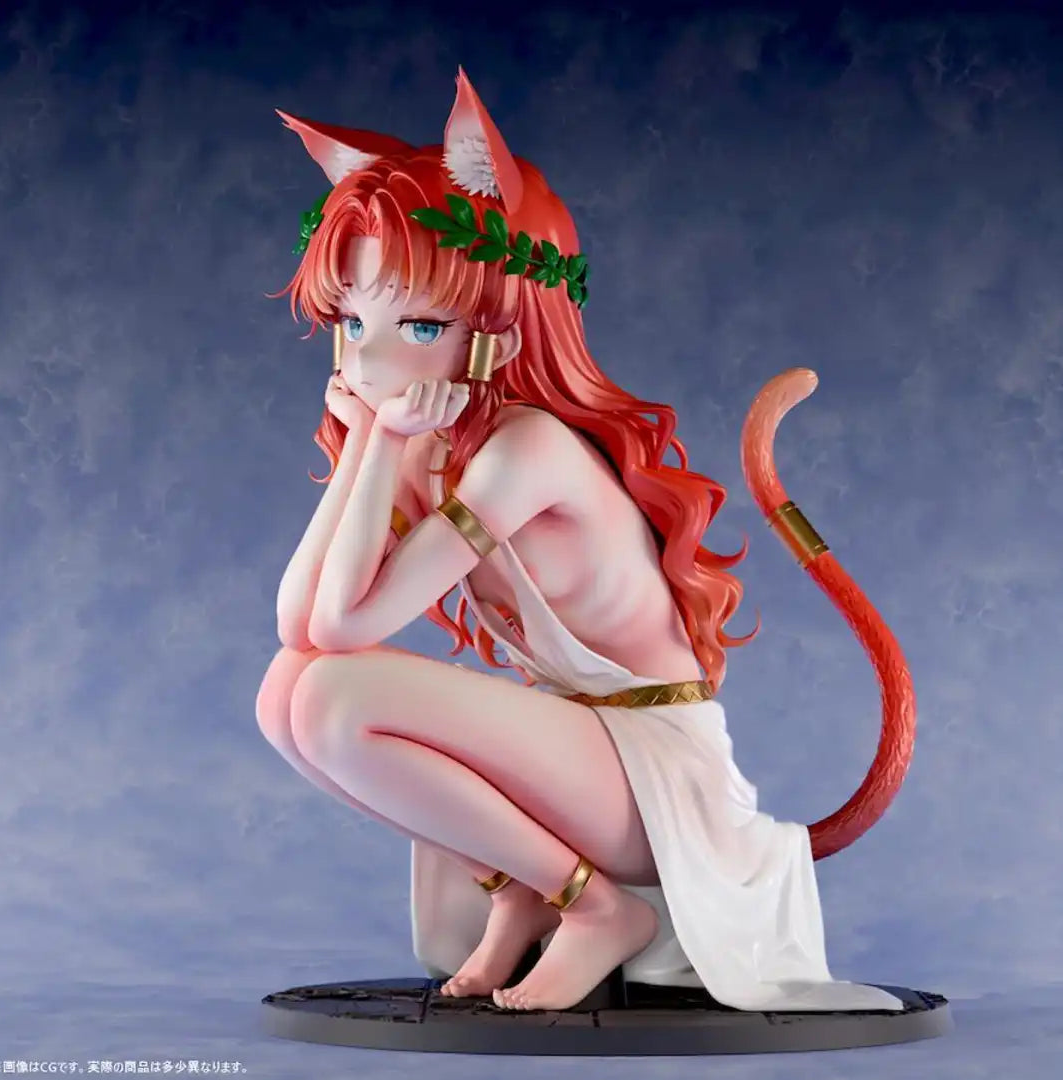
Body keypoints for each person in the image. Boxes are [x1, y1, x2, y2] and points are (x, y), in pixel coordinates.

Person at [255, 67, 911, 1013]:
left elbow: (347, 629)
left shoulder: (527, 450)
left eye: (420, 324)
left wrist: (380, 439)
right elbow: (302, 624)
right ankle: (523, 890)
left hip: (653, 779)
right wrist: (369, 441)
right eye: (352, 321)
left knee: (328, 697)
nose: (367, 355)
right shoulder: (430, 444)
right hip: (581, 765)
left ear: (503, 328)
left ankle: (595, 906)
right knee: (286, 692)